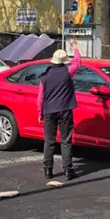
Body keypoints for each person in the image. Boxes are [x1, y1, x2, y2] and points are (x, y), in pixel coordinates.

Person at [37, 39, 82, 180]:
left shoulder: (44, 77)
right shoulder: (68, 72)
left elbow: (40, 98)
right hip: (65, 110)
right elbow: (78, 62)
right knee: (65, 140)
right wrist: (75, 47)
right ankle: (68, 170)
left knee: (49, 141)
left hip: (49, 111)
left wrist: (40, 113)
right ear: (64, 61)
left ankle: (48, 170)